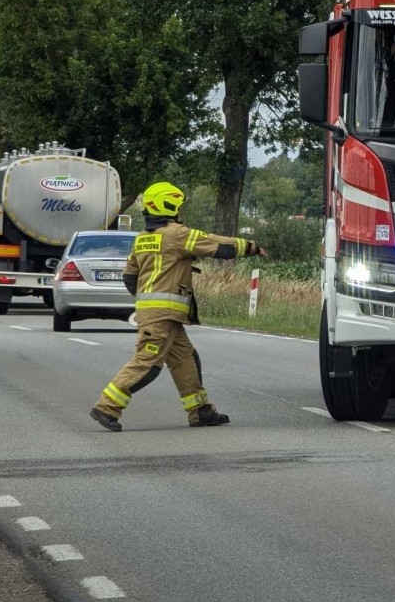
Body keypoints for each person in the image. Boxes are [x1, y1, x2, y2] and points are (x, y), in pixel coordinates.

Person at [89, 181, 269, 432]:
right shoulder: (177, 234)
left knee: (185, 359)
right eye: (177, 204)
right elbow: (217, 245)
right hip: (162, 316)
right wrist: (251, 247)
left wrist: (148, 301)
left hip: (160, 315)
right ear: (168, 205)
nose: (179, 209)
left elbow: (130, 277)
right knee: (147, 364)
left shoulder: (142, 239)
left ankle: (201, 411)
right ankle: (107, 406)